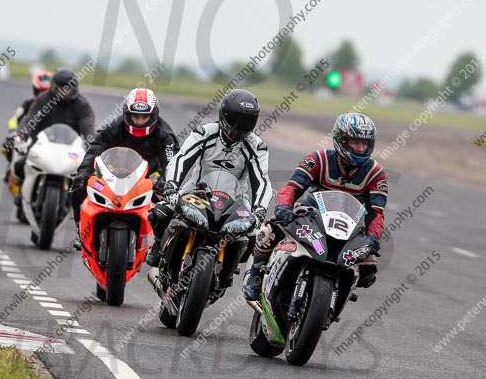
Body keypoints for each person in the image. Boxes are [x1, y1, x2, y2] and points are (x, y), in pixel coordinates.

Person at [242, 112, 387, 301]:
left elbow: (377, 213)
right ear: (341, 139)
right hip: (311, 217)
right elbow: (291, 188)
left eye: (365, 143)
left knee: (369, 268)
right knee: (269, 229)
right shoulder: (319, 159)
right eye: (355, 142)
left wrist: (373, 237)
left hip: (349, 228)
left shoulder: (376, 173)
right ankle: (256, 275)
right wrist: (284, 208)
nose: (361, 148)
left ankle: (342, 291)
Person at [146, 89, 272, 295]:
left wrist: (260, 210)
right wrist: (171, 186)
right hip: (196, 192)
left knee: (252, 236)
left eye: (246, 122)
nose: (238, 127)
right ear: (224, 115)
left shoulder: (257, 146)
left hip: (235, 200)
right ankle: (158, 249)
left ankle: (226, 275)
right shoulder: (204, 133)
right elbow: (181, 159)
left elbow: (262, 181)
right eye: (235, 120)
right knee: (161, 212)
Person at [69, 88, 180, 248]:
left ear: (154, 115)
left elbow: (172, 162)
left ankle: (160, 246)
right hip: (114, 172)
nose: (140, 121)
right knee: (78, 185)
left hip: (149, 177)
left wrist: (167, 182)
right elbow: (95, 149)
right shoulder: (114, 126)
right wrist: (84, 172)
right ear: (127, 113)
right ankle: (81, 231)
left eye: (145, 117)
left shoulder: (165, 134)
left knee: (172, 200)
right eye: (135, 116)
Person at [13, 68, 95, 203]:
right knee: (20, 165)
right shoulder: (43, 99)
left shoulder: (82, 105)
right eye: (62, 88)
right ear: (54, 87)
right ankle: (23, 191)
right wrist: (21, 137)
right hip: (41, 143)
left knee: (86, 174)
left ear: (75, 88)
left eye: (69, 89)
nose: (65, 92)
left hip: (70, 147)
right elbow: (29, 119)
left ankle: (75, 202)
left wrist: (92, 146)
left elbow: (89, 127)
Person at [2, 71, 51, 176]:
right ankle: (10, 169)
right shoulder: (28, 104)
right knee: (7, 144)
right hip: (28, 137)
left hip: (50, 139)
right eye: (39, 92)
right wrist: (13, 131)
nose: (42, 96)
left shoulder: (58, 107)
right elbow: (14, 119)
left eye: (46, 93)